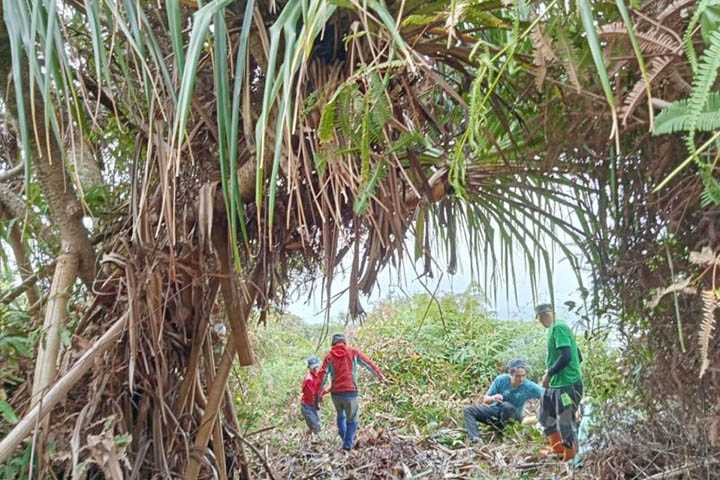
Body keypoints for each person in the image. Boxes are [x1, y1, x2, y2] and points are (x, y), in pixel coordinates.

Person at [317, 333, 386, 451]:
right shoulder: (353, 352)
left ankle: (345, 439)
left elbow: (322, 375)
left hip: (336, 394)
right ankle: (347, 446)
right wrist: (380, 376)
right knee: (352, 419)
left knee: (340, 416)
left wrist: (319, 393)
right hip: (350, 392)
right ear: (344, 342)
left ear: (333, 343)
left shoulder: (329, 356)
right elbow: (368, 364)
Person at [536, 303, 584, 462]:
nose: (543, 319)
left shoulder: (559, 327)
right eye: (540, 317)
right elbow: (578, 353)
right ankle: (558, 449)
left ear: (551, 314)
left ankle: (571, 458)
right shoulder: (553, 329)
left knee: (564, 421)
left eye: (545, 315)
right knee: (544, 416)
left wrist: (549, 374)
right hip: (557, 384)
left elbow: (566, 355)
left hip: (566, 385)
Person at [464, 358, 543, 442]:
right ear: (511, 374)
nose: (521, 379)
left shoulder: (529, 386)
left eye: (523, 376)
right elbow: (485, 400)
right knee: (468, 410)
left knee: (507, 406)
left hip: (513, 417)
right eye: (518, 376)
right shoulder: (501, 380)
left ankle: (507, 436)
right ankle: (475, 439)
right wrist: (493, 398)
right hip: (496, 413)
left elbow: (546, 395)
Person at [300, 356, 323, 435]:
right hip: (307, 406)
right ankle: (312, 441)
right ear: (309, 368)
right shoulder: (308, 380)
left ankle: (307, 439)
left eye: (317, 367)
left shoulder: (317, 376)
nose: (315, 369)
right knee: (316, 427)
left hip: (313, 406)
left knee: (315, 427)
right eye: (313, 367)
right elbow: (312, 394)